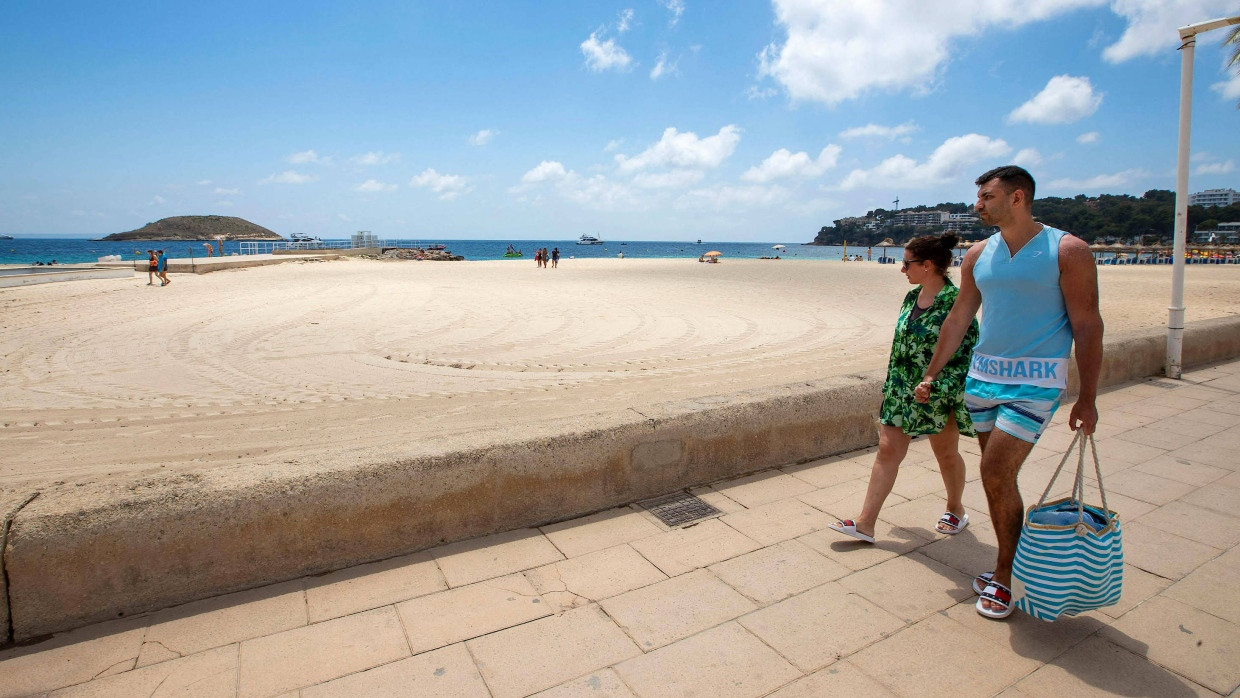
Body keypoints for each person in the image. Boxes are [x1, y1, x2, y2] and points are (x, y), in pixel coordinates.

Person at [914, 165, 1103, 620]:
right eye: (977, 196)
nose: (977, 204)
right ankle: (1012, 563)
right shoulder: (979, 254)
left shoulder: (1068, 250)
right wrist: (932, 373)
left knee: (995, 473)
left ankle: (1003, 575)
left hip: (1036, 381)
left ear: (1017, 198)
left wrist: (1088, 396)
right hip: (983, 379)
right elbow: (960, 317)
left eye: (986, 196)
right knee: (998, 478)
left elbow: (1087, 324)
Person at [828, 233, 979, 545]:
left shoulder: (956, 303)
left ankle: (955, 508)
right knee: (887, 450)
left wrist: (935, 384)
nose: (902, 270)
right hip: (900, 391)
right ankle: (866, 523)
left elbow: (966, 354)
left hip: (936, 393)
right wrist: (893, 387)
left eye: (906, 263)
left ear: (927, 266)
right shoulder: (912, 298)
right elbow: (901, 347)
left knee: (946, 453)